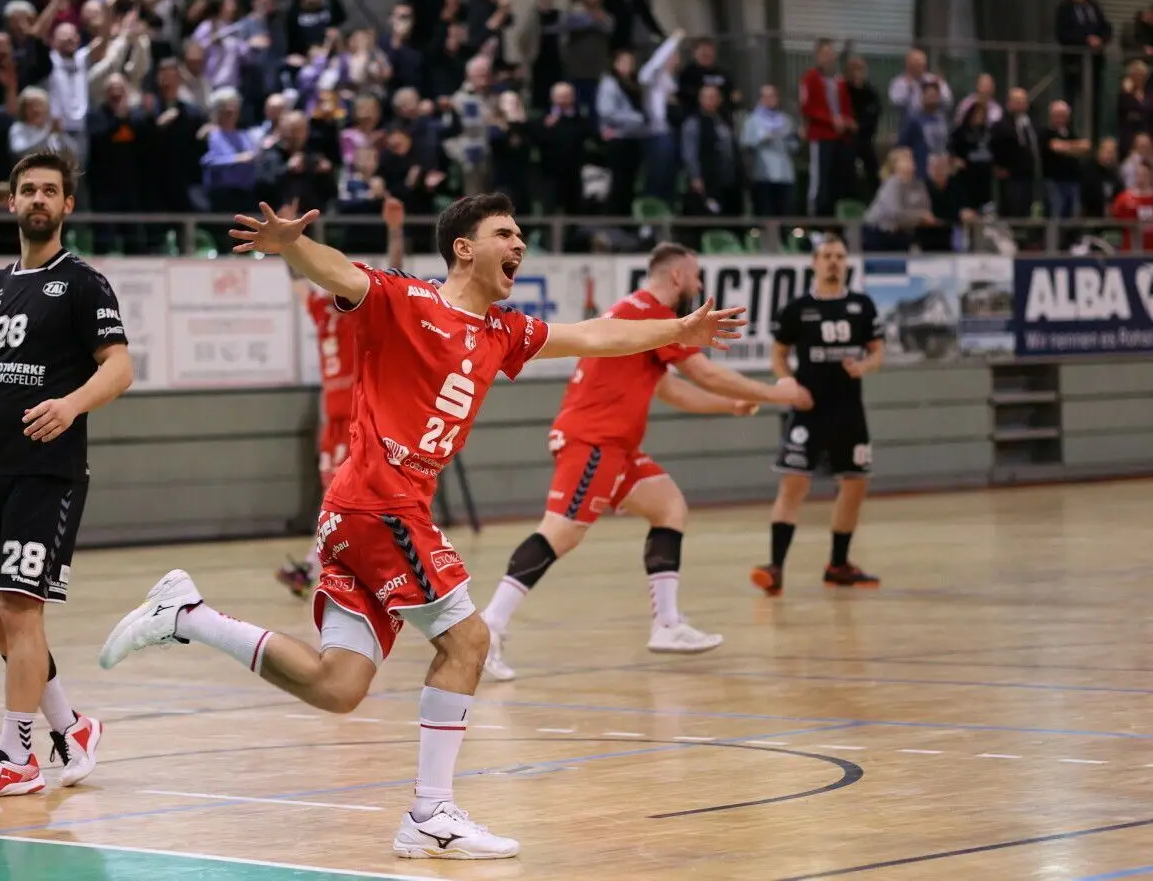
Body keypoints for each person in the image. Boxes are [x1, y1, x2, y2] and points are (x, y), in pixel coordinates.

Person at [98, 194, 746, 860]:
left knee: (338, 685)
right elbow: (340, 273)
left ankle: (188, 614)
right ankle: (431, 812)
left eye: (523, 234)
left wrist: (677, 330)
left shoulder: (504, 330)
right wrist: (292, 245)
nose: (519, 243)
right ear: (464, 247)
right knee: (469, 639)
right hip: (380, 504)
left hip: (361, 514)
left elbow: (596, 333)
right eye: (505, 233)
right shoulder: (406, 301)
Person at [480, 242, 812, 678]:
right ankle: (487, 630)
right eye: (695, 276)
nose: (698, 284)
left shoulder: (640, 314)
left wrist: (729, 406)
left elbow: (671, 389)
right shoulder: (653, 314)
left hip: (616, 448)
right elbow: (705, 373)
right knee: (561, 532)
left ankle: (668, 624)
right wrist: (774, 394)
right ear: (677, 277)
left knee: (668, 506)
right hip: (593, 442)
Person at [0, 150, 134, 799]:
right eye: (28, 190)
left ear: (67, 205)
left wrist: (72, 403)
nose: (39, 199)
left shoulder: (84, 283)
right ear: (11, 202)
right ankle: (71, 727)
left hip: (49, 471)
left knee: (21, 608)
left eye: (51, 190)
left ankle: (16, 758)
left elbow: (119, 368)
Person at [276, 197, 406, 596]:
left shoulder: (363, 308)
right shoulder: (321, 308)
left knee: (352, 494)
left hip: (357, 410)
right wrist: (286, 239)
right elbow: (298, 278)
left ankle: (333, 567)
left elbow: (394, 266)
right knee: (334, 493)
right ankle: (320, 567)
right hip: (331, 412)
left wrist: (394, 230)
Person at [752, 234, 883, 596]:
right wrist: (789, 384)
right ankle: (775, 567)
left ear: (846, 263)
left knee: (855, 485)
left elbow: (877, 353)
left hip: (848, 409)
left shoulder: (861, 305)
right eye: (827, 256)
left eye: (839, 256)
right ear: (814, 262)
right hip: (809, 410)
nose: (833, 262)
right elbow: (778, 355)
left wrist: (865, 366)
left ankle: (838, 564)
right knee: (793, 485)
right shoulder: (797, 309)